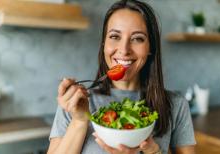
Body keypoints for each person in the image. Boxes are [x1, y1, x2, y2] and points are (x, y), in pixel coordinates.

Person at [47, 0, 196, 153]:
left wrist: (154, 152)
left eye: (137, 38)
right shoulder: (76, 101)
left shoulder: (176, 105)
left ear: (150, 48)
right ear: (104, 43)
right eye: (115, 36)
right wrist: (79, 120)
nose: (124, 50)